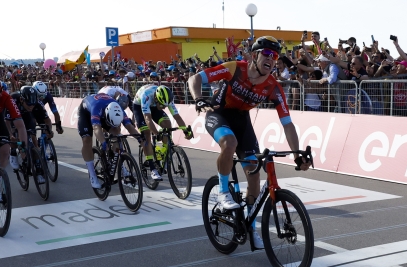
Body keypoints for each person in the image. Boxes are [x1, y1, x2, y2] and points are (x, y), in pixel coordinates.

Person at [187, 36, 311, 248]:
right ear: (255, 55)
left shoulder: (273, 87)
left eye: (275, 57)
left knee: (254, 172)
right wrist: (199, 98)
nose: (272, 60)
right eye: (267, 54)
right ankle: (223, 192)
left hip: (242, 121)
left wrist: (297, 154)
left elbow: (287, 124)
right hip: (219, 114)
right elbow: (195, 79)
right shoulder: (235, 68)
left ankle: (251, 226)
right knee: (229, 142)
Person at [78, 90, 138, 188]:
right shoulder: (96, 107)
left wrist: (140, 139)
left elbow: (130, 127)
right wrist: (103, 142)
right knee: (87, 140)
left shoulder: (119, 110)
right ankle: (92, 175)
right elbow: (96, 128)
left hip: (105, 111)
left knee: (116, 134)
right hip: (86, 112)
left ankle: (119, 163)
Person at [132, 84, 193, 181]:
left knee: (167, 125)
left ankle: (165, 151)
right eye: (162, 105)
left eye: (166, 105)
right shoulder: (146, 96)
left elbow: (177, 117)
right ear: (156, 99)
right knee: (147, 134)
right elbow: (147, 119)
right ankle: (153, 169)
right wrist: (156, 133)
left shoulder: (168, 98)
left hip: (155, 107)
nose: (164, 107)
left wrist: (185, 130)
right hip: (139, 106)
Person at [5, 86, 46, 183]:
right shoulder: (12, 99)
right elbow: (7, 121)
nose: (31, 106)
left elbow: (46, 118)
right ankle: (13, 153)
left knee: (33, 140)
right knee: (15, 137)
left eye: (33, 104)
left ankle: (39, 170)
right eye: (29, 104)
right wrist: (10, 133)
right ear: (22, 99)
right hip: (13, 117)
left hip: (26, 116)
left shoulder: (33, 105)